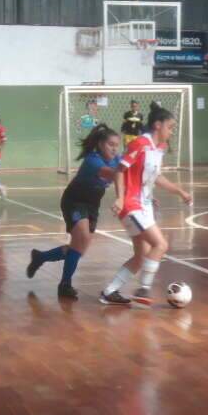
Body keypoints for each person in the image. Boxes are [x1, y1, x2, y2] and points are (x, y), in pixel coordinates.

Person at [100, 102, 192, 306]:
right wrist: (120, 198)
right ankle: (144, 289)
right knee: (160, 244)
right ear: (158, 125)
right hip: (132, 205)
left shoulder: (160, 147)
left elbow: (154, 176)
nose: (172, 131)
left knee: (141, 256)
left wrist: (179, 191)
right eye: (170, 126)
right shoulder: (139, 143)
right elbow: (120, 172)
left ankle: (109, 291)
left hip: (144, 204)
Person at [26, 124, 126, 300]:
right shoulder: (92, 160)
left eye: (117, 145)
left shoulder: (116, 160)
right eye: (111, 144)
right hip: (74, 200)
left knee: (78, 248)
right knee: (82, 238)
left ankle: (40, 257)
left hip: (92, 204)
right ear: (101, 144)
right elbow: (114, 174)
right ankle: (65, 285)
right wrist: (121, 197)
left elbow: (122, 173)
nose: (114, 148)